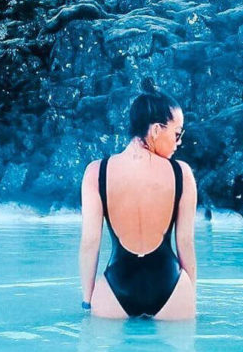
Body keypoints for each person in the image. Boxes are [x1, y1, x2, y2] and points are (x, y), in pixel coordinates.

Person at [79, 77, 197, 320]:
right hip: (171, 288)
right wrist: (190, 296)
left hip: (115, 290)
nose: (180, 142)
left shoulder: (96, 172)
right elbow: (185, 241)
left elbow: (90, 242)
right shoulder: (181, 174)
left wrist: (87, 301)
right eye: (177, 134)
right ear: (155, 130)